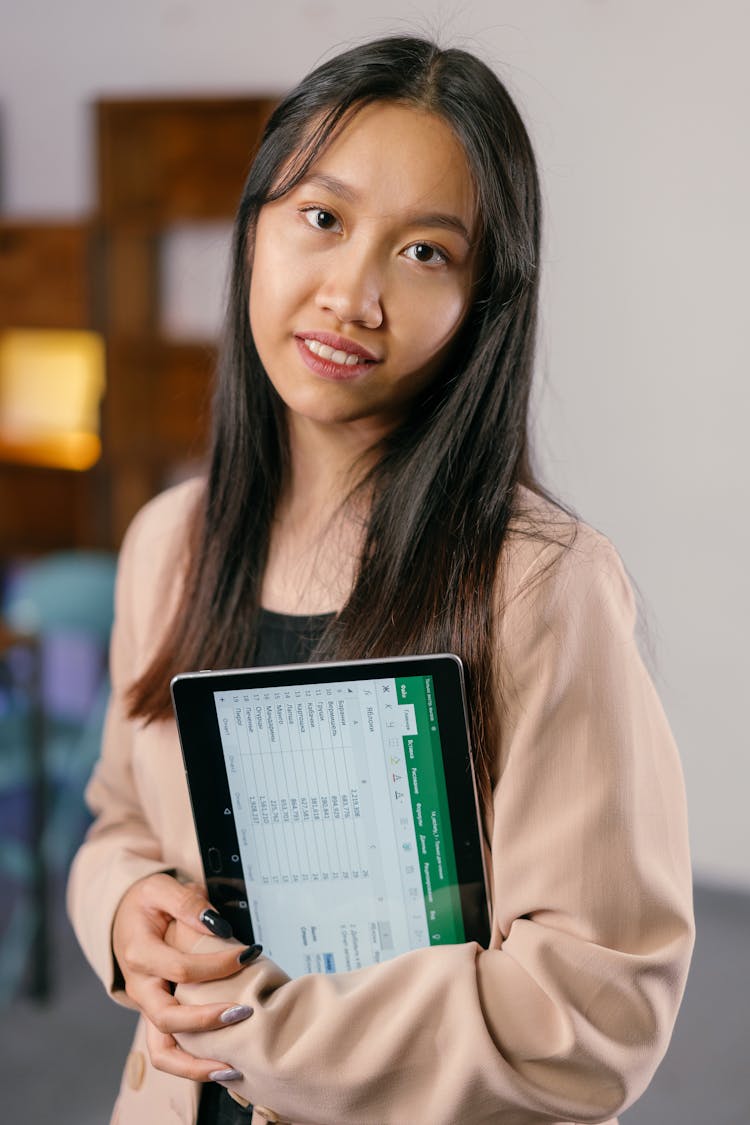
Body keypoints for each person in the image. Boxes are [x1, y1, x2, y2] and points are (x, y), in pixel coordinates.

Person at [67, 35, 694, 1125]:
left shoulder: (544, 585)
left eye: (426, 254)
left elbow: (596, 1012)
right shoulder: (170, 542)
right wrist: (125, 909)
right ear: (253, 230)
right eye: (322, 218)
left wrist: (257, 1020)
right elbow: (121, 814)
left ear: (481, 303)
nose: (353, 293)